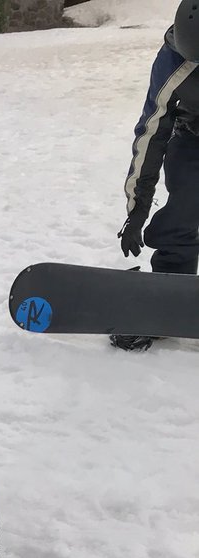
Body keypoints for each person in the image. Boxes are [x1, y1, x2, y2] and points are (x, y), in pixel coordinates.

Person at [114, 0, 199, 351]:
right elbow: (151, 137)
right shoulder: (172, 63)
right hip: (193, 136)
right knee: (184, 210)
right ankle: (169, 302)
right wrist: (137, 210)